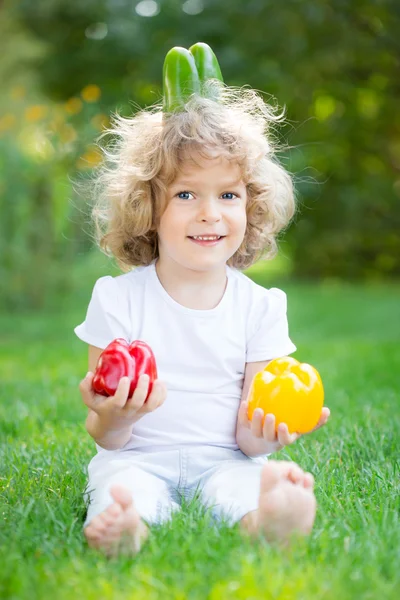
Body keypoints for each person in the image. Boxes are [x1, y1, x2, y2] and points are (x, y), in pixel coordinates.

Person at [74, 73, 330, 557]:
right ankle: (128, 527)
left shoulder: (262, 306)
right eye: (186, 194)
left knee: (242, 486)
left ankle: (270, 521)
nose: (210, 213)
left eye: (228, 195)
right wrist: (115, 417)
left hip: (226, 459)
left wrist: (271, 431)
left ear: (251, 205)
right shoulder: (117, 298)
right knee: (122, 487)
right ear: (147, 207)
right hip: (138, 456)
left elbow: (248, 443)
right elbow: (106, 438)